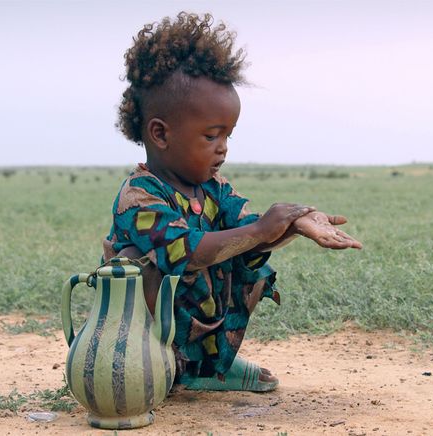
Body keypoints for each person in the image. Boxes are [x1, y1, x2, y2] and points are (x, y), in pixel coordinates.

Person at [103, 11, 362, 392]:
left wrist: (295, 223)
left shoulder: (214, 188)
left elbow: (251, 228)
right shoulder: (139, 196)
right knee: (167, 262)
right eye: (211, 136)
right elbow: (186, 252)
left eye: (228, 135)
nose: (223, 148)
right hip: (135, 336)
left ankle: (209, 366)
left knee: (245, 252)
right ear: (160, 134)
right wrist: (259, 229)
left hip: (189, 321)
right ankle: (160, 366)